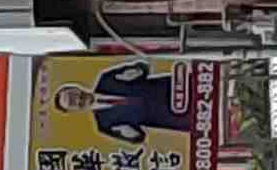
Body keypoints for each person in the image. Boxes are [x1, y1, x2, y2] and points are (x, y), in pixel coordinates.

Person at [50, 61, 194, 143]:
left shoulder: (106, 79)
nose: (77, 99)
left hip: (176, 87)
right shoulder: (105, 124)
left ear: (76, 88)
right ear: (74, 111)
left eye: (72, 94)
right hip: (173, 117)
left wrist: (134, 72)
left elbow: (142, 66)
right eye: (71, 103)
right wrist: (129, 133)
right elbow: (139, 138)